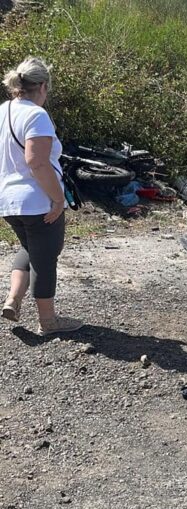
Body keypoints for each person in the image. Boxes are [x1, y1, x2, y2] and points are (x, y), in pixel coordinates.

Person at [0, 57, 82, 335]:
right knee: (45, 257)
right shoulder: (36, 115)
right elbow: (36, 162)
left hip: (9, 203)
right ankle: (48, 321)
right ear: (43, 86)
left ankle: (13, 299)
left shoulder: (3, 111)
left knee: (30, 248)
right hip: (36, 201)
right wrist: (58, 200)